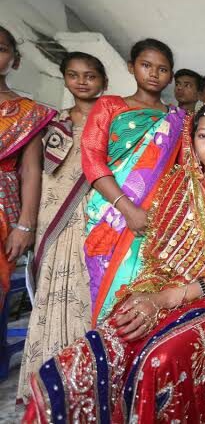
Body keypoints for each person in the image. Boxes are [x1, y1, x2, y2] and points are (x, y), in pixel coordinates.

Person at [22, 101, 205, 424]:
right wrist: (147, 297)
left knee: (159, 357)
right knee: (92, 350)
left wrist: (168, 298)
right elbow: (159, 263)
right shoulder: (176, 187)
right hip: (168, 289)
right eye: (204, 135)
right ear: (191, 141)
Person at [17, 52, 109, 404]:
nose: (82, 82)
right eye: (74, 74)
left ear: (104, 81)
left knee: (90, 294)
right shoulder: (52, 124)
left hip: (97, 220)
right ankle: (47, 385)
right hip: (54, 222)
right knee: (52, 295)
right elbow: (37, 175)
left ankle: (88, 383)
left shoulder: (113, 122)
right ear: (65, 78)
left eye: (90, 75)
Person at [81, 38, 186, 324]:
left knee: (145, 293)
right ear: (131, 67)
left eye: (162, 69)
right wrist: (127, 209)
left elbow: (181, 173)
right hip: (110, 212)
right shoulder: (109, 106)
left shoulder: (178, 120)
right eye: (146, 65)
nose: (153, 73)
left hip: (155, 219)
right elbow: (92, 160)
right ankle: (105, 342)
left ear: (171, 76)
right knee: (105, 289)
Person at [0, 25, 56, 311]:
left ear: (16, 60)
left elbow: (32, 171)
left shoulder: (28, 113)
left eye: (1, 49)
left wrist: (25, 226)